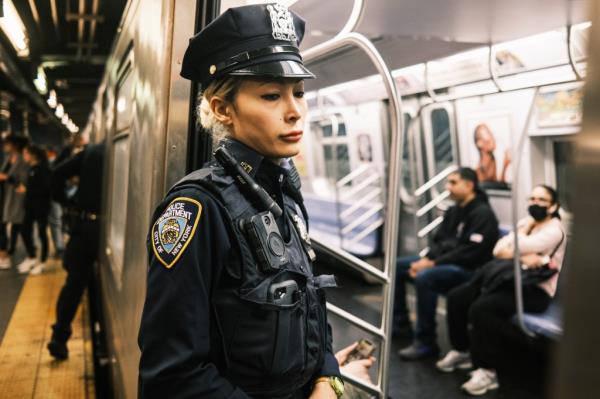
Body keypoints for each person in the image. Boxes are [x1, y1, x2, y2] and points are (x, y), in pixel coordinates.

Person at [138, 4, 342, 399]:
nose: (295, 111)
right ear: (222, 109)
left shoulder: (283, 192)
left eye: (299, 93)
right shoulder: (197, 210)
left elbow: (311, 301)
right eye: (270, 95)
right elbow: (171, 376)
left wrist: (325, 378)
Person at [439, 185, 566, 396]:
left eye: (542, 200)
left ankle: (488, 372)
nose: (535, 203)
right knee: (458, 297)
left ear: (553, 207)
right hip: (509, 281)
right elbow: (498, 250)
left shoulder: (555, 230)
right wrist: (524, 253)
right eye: (532, 198)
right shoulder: (527, 223)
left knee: (481, 309)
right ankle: (461, 350)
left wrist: (517, 245)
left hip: (536, 290)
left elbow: (513, 245)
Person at [394, 167, 499, 360]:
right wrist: (427, 259)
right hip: (444, 262)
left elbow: (470, 252)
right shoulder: (453, 211)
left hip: (470, 270)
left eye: (453, 182)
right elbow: (438, 240)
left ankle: (426, 342)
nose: (447, 186)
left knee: (427, 278)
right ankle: (400, 325)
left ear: (469, 185)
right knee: (398, 267)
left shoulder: (483, 214)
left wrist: (432, 265)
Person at [46, 142, 105, 360]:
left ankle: (59, 337)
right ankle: (103, 339)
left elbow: (56, 174)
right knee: (106, 286)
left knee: (74, 284)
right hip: (110, 228)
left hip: (83, 227)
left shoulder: (91, 152)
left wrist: (68, 201)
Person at [15, 145, 52, 274]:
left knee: (42, 234)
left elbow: (46, 189)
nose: (24, 156)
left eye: (26, 153)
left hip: (41, 207)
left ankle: (42, 262)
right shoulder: (32, 169)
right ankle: (31, 256)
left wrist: (27, 190)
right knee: (25, 230)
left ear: (33, 155)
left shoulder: (43, 169)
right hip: (30, 207)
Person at [0, 135, 29, 270]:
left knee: (18, 226)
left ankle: (8, 253)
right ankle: (5, 252)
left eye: (8, 144)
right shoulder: (8, 159)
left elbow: (23, 181)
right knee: (4, 225)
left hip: (16, 198)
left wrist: (6, 177)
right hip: (5, 197)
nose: (5, 146)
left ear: (15, 145)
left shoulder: (22, 160)